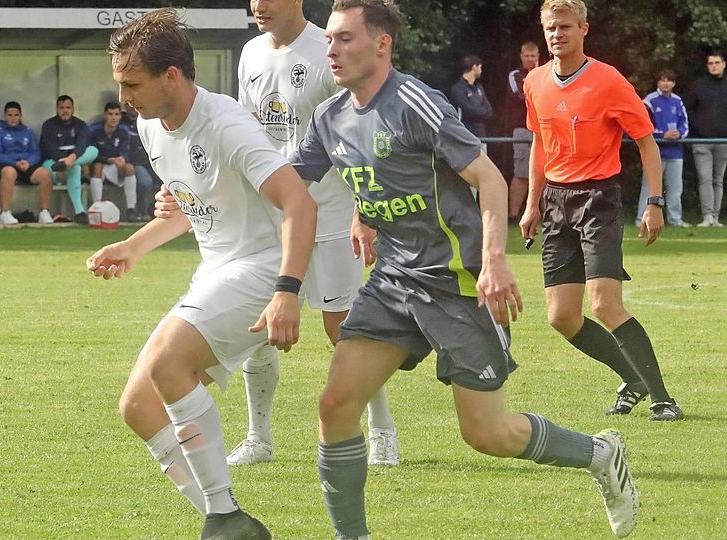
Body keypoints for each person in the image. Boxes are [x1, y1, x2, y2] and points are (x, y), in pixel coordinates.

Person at [288, 1, 639, 538]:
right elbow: (288, 184)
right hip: (393, 281)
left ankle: (598, 453)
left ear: (382, 43)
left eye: (345, 39)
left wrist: (494, 261)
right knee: (335, 405)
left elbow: (490, 180)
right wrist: (195, 189)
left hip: (457, 283)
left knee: (488, 433)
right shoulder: (329, 116)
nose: (331, 50)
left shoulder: (414, 102)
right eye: (330, 40)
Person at [88, 9, 316, 539]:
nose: (124, 98)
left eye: (132, 83)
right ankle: (231, 525)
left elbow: (299, 204)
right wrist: (135, 245)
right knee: (139, 407)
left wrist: (287, 291)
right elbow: (192, 206)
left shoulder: (227, 125)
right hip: (217, 271)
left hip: (262, 268)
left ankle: (223, 514)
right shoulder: (151, 124)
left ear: (172, 75)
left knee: (169, 362)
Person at [226, 0, 400, 468]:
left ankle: (382, 429)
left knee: (342, 328)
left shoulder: (329, 47)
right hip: (271, 215)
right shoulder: (250, 53)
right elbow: (245, 133)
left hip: (331, 212)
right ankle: (258, 438)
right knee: (257, 327)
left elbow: (362, 128)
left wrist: (363, 210)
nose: (257, 5)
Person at [521, 0, 683, 424]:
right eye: (551, 28)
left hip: (598, 200)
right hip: (555, 202)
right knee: (560, 316)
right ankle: (632, 379)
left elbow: (646, 141)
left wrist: (654, 202)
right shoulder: (535, 81)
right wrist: (531, 204)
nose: (557, 34)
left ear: (584, 29)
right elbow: (540, 144)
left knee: (605, 304)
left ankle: (663, 399)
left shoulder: (609, 80)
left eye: (566, 27)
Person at [31, 95, 99, 225]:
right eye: (62, 108)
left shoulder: (80, 125)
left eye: (68, 107)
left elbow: (81, 145)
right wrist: (67, 160)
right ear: (57, 109)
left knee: (92, 151)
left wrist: (70, 160)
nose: (65, 111)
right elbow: (52, 151)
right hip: (51, 164)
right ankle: (79, 211)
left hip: (70, 163)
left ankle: (80, 213)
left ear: (73, 109)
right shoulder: (49, 125)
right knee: (76, 167)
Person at [637, 71, 690, 228]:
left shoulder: (678, 101)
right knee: (649, 187)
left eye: (669, 81)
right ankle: (641, 218)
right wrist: (661, 134)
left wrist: (679, 133)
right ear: (658, 83)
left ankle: (675, 220)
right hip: (655, 153)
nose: (666, 83)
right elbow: (641, 125)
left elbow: (685, 123)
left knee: (675, 189)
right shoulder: (649, 101)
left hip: (675, 152)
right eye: (662, 80)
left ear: (674, 83)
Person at [684, 51, 727, 227]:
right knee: (705, 178)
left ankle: (715, 218)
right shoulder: (698, 85)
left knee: (718, 179)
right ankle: (707, 216)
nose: (714, 66)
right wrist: (700, 129)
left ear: (724, 64)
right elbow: (689, 109)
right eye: (710, 63)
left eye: (717, 62)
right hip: (702, 141)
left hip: (723, 141)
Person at [88, 101, 151, 222]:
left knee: (129, 168)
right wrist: (108, 159)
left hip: (114, 167)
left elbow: (125, 152)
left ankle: (131, 209)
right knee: (97, 166)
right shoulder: (95, 130)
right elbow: (92, 154)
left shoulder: (123, 131)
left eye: (116, 114)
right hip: (99, 166)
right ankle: (97, 207)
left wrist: (122, 159)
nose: (113, 118)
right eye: (110, 114)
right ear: (105, 115)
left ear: (120, 116)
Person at [0, 101, 41, 225]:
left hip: (25, 166)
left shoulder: (28, 131)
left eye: (16, 115)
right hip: (6, 166)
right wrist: (14, 162)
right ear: (5, 116)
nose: (13, 118)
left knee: (45, 174)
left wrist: (28, 162)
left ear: (20, 115)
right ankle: (4, 212)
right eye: (10, 115)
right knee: (9, 172)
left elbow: (36, 153)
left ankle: (44, 212)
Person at [505, 41, 540, 223]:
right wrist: (534, 85)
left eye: (533, 56)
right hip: (522, 128)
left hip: (543, 129)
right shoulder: (515, 75)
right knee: (521, 173)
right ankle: (513, 214)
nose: (530, 59)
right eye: (527, 56)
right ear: (521, 56)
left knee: (545, 173)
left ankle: (541, 213)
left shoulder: (545, 73)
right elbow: (520, 97)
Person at [121, 102, 161, 215]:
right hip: (134, 163)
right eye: (129, 105)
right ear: (125, 107)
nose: (132, 107)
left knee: (167, 179)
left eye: (135, 105)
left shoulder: (149, 121)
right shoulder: (121, 123)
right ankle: (140, 210)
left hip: (152, 161)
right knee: (145, 182)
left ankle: (154, 208)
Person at [448, 54, 494, 142]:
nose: (481, 71)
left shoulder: (479, 87)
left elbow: (489, 111)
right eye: (480, 67)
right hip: (465, 136)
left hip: (481, 136)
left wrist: (477, 111)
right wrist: (481, 111)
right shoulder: (458, 88)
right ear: (474, 67)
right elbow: (468, 111)